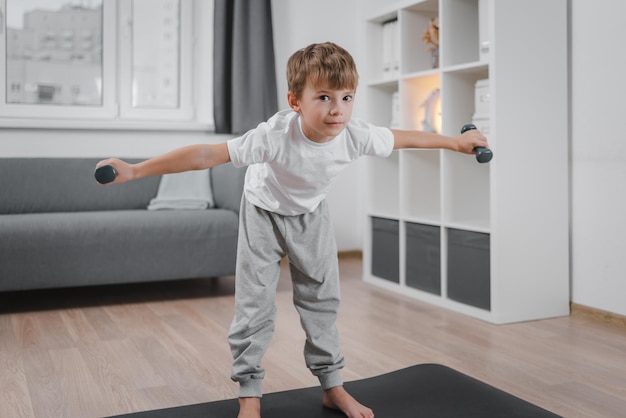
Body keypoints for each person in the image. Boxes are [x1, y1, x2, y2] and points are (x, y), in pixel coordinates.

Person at [96, 42, 488, 418]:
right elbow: (205, 155)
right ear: (295, 101)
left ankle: (332, 386)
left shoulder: (354, 135)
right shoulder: (273, 137)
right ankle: (249, 392)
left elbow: (404, 137)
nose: (338, 110)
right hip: (262, 210)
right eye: (324, 97)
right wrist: (136, 170)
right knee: (255, 303)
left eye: (346, 97)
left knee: (322, 299)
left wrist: (455, 143)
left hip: (310, 214)